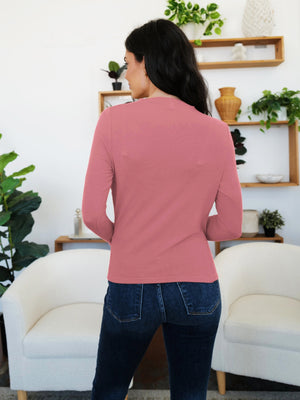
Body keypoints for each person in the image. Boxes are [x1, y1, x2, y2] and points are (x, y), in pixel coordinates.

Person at [82, 18, 242, 400]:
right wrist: (192, 228)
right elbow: (231, 225)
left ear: (146, 62)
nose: (126, 71)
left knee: (109, 388)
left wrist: (123, 238)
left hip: (130, 282)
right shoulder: (217, 130)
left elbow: (91, 214)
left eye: (127, 62)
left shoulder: (112, 121)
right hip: (198, 289)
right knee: (190, 393)